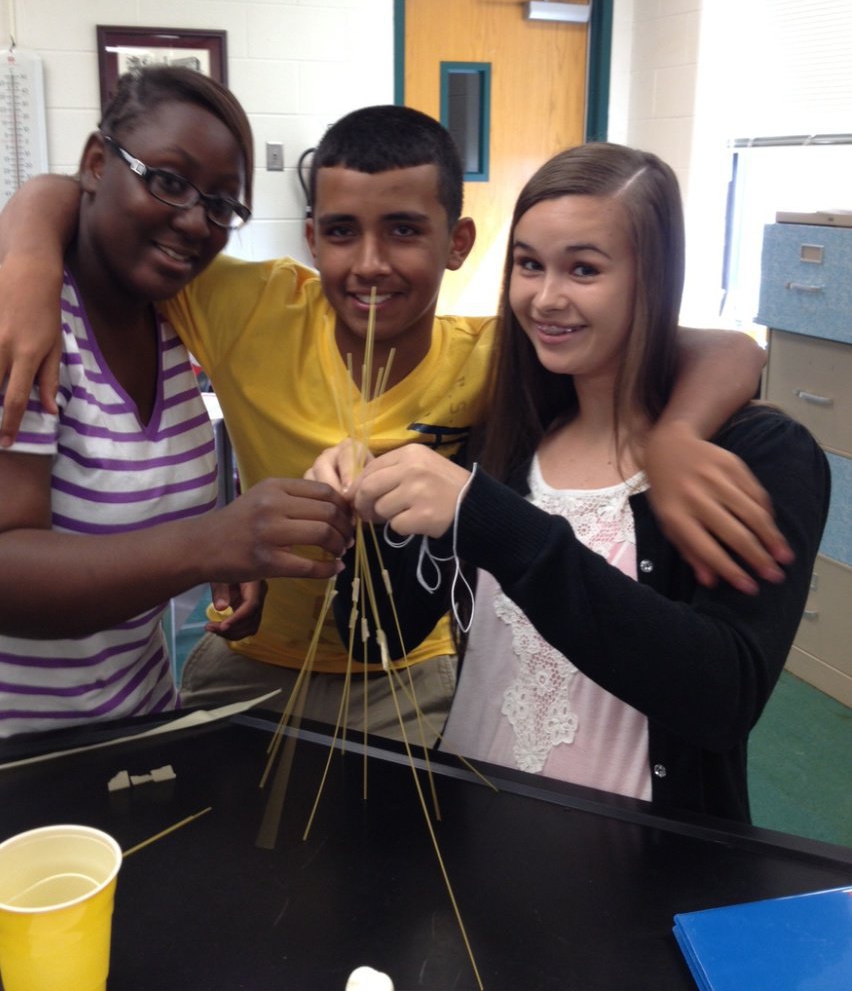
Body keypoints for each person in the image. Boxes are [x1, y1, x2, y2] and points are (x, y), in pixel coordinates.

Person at [0, 109, 786, 742]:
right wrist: (26, 263)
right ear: (311, 236)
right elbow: (79, 194)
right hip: (244, 664)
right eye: (342, 233)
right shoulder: (245, 304)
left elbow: (722, 348)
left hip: (410, 681)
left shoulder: (494, 359)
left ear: (458, 242)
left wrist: (675, 434)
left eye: (405, 232)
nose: (372, 264)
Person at [321, 142, 829, 822]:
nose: (546, 298)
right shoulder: (505, 435)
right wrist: (373, 510)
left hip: (637, 867)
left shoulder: (759, 455)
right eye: (529, 265)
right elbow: (372, 640)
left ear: (652, 278)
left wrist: (494, 522)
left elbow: (722, 696)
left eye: (583, 269)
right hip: (472, 832)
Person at [0, 66, 352, 746]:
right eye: (168, 181)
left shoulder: (171, 314)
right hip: (1, 761)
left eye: (222, 205)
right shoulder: (7, 316)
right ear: (98, 163)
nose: (195, 221)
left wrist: (232, 554)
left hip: (133, 728)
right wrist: (207, 543)